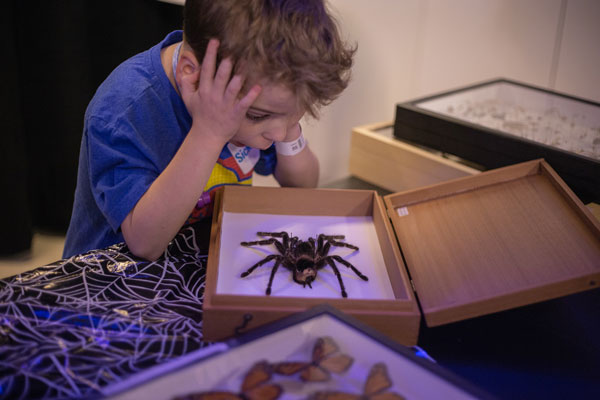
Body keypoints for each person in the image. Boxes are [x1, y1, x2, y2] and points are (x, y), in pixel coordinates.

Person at [63, 0, 355, 261]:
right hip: (112, 283)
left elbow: (303, 186)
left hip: (203, 263)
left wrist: (291, 126)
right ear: (192, 72)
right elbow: (144, 243)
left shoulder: (258, 106)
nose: (277, 135)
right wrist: (208, 133)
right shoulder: (123, 110)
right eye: (258, 116)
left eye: (291, 117)